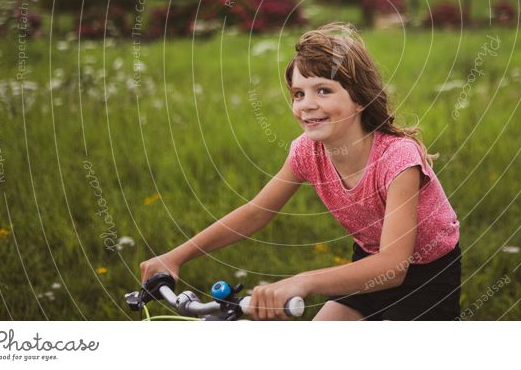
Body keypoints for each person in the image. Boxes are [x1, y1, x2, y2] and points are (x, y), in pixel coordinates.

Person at [139, 22, 461, 320]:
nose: (307, 104)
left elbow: (393, 267)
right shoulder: (308, 151)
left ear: (360, 99)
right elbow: (256, 212)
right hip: (368, 260)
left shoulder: (397, 160)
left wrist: (303, 281)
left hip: (427, 274)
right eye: (298, 93)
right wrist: (176, 256)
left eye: (323, 90)